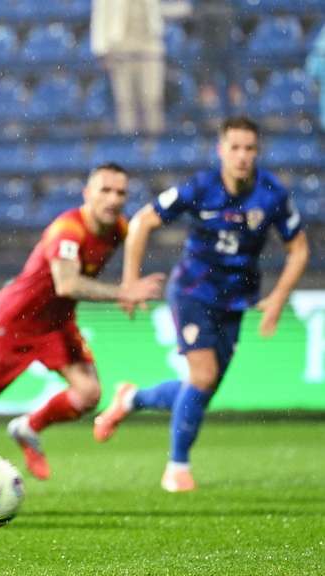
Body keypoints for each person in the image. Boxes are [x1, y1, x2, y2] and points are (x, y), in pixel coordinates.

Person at [0, 163, 164, 498]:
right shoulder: (67, 230)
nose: (113, 199)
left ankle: (28, 427)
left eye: (121, 193)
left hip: (57, 323)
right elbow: (67, 282)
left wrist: (130, 280)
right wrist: (124, 291)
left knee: (88, 393)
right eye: (105, 190)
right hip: (14, 322)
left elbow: (137, 234)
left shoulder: (117, 227)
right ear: (87, 194)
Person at [93, 117, 309, 492]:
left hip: (236, 299)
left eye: (250, 149)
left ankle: (132, 398)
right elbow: (143, 222)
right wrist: (129, 282)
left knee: (200, 386)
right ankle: (177, 468)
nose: (242, 156)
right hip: (193, 291)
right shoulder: (200, 187)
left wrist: (278, 297)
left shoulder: (272, 193)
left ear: (257, 153)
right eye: (235, 148)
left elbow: (299, 248)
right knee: (203, 377)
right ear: (221, 150)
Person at [91, 0, 166, 135]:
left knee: (152, 98)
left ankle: (155, 143)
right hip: (120, 44)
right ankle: (129, 144)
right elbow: (100, 12)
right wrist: (101, 49)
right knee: (125, 100)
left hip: (149, 42)